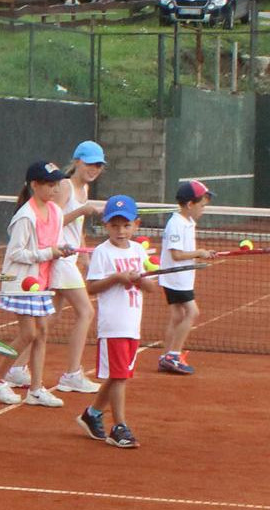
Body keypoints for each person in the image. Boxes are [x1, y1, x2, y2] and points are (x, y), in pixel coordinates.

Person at [0, 161, 78, 407]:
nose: (55, 189)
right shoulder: (25, 216)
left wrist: (61, 250)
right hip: (22, 283)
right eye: (49, 184)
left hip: (43, 282)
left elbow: (55, 242)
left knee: (42, 332)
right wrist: (49, 253)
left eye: (57, 184)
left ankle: (36, 389)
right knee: (29, 333)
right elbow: (16, 253)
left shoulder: (56, 212)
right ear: (34, 185)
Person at [77, 194, 156, 448]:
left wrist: (139, 280)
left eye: (126, 225)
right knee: (120, 376)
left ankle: (93, 414)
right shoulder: (102, 252)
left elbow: (150, 287)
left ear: (136, 224)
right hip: (113, 325)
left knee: (117, 374)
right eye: (114, 225)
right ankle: (119, 426)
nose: (120, 231)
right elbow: (92, 287)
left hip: (132, 324)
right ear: (105, 225)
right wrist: (117, 278)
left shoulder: (137, 250)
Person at [44, 139, 108, 397]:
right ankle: (72, 374)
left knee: (51, 317)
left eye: (99, 166)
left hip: (70, 258)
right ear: (78, 162)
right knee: (86, 311)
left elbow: (76, 227)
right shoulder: (65, 186)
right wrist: (83, 210)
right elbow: (52, 222)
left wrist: (84, 255)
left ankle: (16, 366)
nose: (95, 169)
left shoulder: (84, 190)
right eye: (91, 164)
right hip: (58, 257)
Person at [157, 179, 217, 374]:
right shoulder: (176, 224)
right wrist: (199, 253)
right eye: (201, 205)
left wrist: (203, 253)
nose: (203, 210)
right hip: (176, 277)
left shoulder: (188, 222)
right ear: (190, 204)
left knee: (177, 315)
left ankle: (166, 356)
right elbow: (176, 254)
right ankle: (174, 355)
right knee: (192, 312)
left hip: (181, 277)